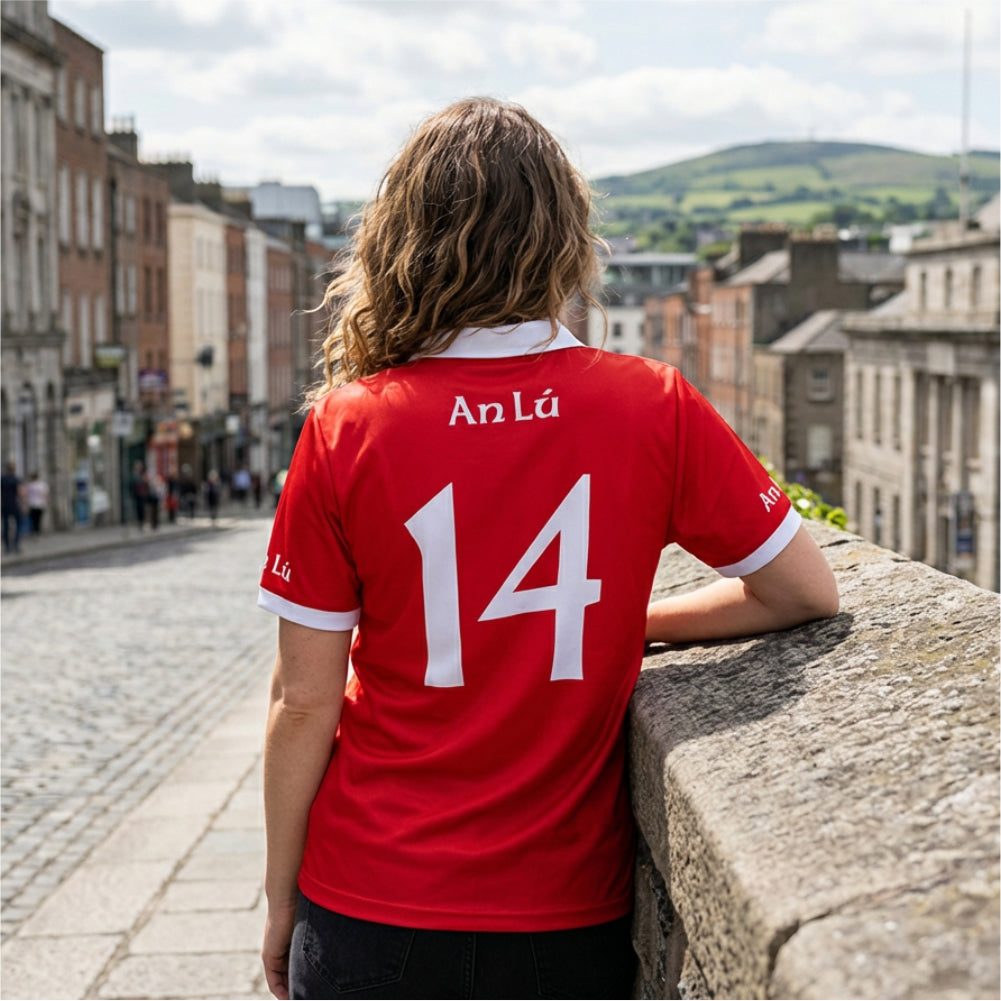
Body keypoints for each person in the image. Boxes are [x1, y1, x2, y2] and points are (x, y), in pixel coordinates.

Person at [257, 98, 839, 1001]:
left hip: (369, 897)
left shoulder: (348, 425)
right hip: (561, 917)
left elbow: (302, 703)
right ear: (564, 242)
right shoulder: (653, 403)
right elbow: (802, 591)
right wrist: (632, 622)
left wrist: (278, 896)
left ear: (401, 240)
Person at [1, 462, 23, 553]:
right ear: (14, 469)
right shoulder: (16, 479)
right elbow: (20, 492)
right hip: (14, 505)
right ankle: (16, 544)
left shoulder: (2, 479)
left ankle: (7, 547)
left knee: (6, 526)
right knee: (18, 525)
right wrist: (23, 503)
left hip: (5, 505)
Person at [25, 471, 49, 535]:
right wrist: (46, 502)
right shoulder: (42, 485)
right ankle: (37, 531)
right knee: (38, 519)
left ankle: (34, 530)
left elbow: (26, 494)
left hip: (32, 504)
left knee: (33, 519)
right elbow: (45, 495)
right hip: (40, 504)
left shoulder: (29, 485)